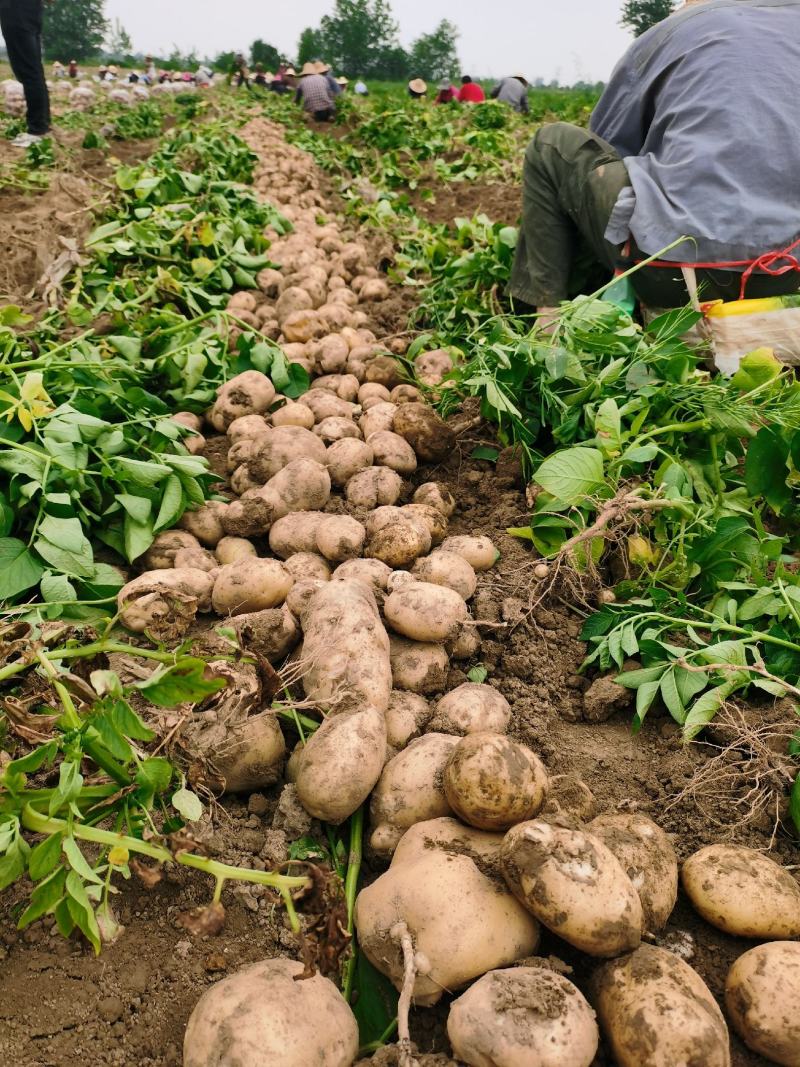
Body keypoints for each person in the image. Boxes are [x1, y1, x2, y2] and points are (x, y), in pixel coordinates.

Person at [508, 0, 800, 319]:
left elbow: (610, 145)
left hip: (679, 275)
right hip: (791, 276)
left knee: (552, 145)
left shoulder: (674, 29)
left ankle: (546, 327)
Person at [0, 0, 51, 147]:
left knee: (28, 71)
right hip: (31, 9)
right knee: (34, 69)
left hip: (16, 10)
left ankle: (37, 130)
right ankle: (42, 124)